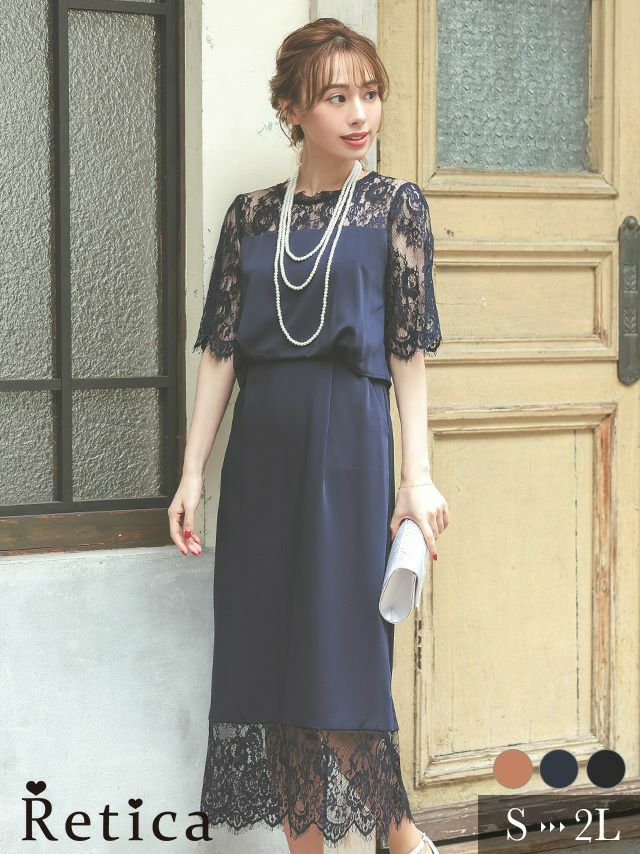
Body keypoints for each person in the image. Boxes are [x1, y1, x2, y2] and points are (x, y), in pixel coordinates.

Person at [168, 16, 449, 854]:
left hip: (351, 452)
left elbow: (407, 355)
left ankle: (404, 841)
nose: (360, 113)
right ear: (292, 109)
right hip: (262, 457)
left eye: (370, 94)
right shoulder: (250, 218)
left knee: (342, 671)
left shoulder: (395, 207)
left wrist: (416, 477)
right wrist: (194, 474)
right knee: (276, 668)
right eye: (336, 97)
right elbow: (221, 352)